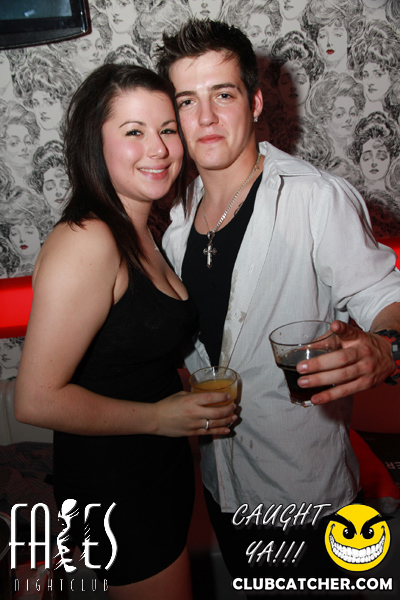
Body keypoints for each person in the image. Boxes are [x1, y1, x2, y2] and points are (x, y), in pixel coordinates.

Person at [156, 19, 400, 595]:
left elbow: (387, 299)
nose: (205, 118)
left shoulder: (315, 199)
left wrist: (384, 349)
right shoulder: (176, 218)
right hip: (224, 486)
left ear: (256, 102)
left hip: (308, 496)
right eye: (187, 101)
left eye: (223, 94)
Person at [14, 64, 237, 600]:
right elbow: (35, 400)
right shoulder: (89, 240)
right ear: (95, 144)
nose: (158, 149)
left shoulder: (142, 228)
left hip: (153, 470)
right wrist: (160, 417)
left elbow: (124, 353)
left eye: (167, 129)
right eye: (134, 131)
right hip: (119, 486)